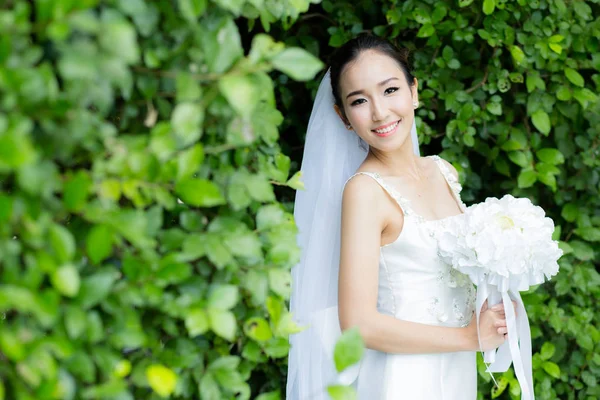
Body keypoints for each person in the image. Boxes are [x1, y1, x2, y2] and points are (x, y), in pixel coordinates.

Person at [287, 34, 512, 400]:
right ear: (343, 117)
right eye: (359, 100)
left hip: (454, 369)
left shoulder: (443, 172)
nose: (379, 112)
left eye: (390, 90)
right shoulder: (365, 192)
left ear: (414, 91)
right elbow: (358, 326)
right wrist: (470, 337)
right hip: (403, 378)